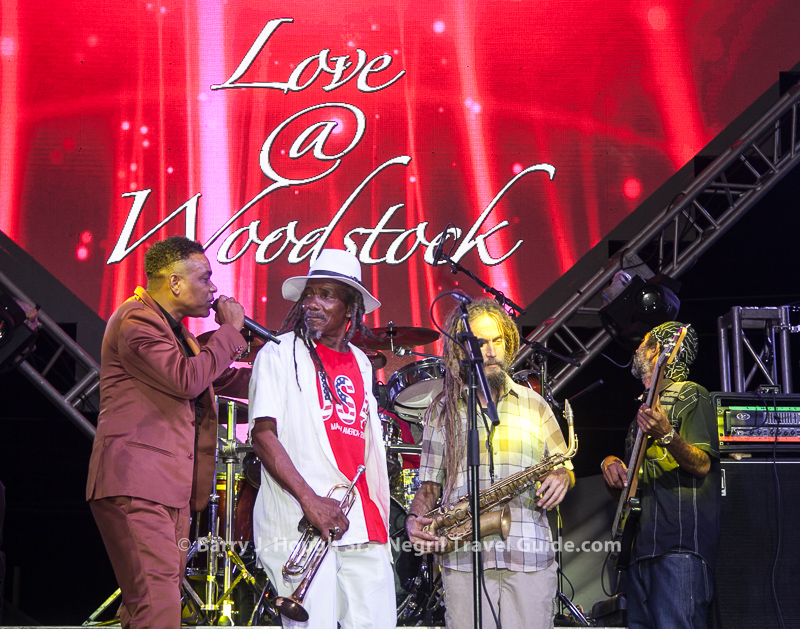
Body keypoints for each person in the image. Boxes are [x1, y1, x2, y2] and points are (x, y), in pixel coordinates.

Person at [86, 236, 251, 629]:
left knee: (150, 607)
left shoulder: (177, 333)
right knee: (158, 607)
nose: (213, 288)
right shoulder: (136, 321)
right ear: (174, 282)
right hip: (137, 485)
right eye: (204, 278)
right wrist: (231, 331)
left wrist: (284, 373)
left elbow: (216, 378)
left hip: (168, 490)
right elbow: (187, 379)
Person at [248, 248, 395, 629]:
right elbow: (263, 435)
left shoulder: (362, 363)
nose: (312, 303)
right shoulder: (279, 353)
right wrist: (309, 499)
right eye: (310, 294)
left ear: (351, 308)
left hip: (362, 520)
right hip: (302, 518)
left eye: (326, 295)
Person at [406, 298, 575, 629]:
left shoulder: (535, 405)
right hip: (463, 560)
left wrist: (562, 477)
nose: (492, 352)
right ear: (461, 351)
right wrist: (414, 520)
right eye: (481, 343)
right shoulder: (442, 410)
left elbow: (563, 465)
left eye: (497, 341)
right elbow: (428, 487)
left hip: (528, 556)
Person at [600, 321, 720, 629]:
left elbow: (702, 464)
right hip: (639, 551)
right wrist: (611, 467)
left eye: (643, 342)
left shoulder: (691, 394)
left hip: (678, 548)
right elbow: (629, 492)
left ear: (658, 350)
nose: (637, 349)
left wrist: (668, 435)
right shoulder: (643, 412)